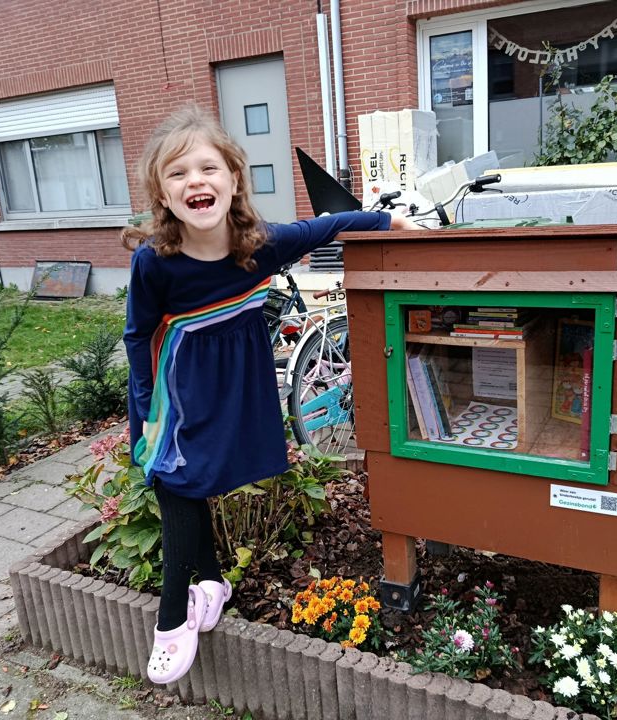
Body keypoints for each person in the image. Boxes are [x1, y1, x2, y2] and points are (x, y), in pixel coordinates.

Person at [122, 103, 420, 684]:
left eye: (207, 168)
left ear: (234, 180)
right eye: (178, 173)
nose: (195, 181)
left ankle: (212, 584)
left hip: (234, 389)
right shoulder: (154, 263)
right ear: (162, 194)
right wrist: (144, 411)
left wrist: (389, 222)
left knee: (188, 481)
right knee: (174, 480)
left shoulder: (260, 245)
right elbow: (138, 335)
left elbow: (325, 226)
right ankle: (173, 617)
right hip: (176, 388)